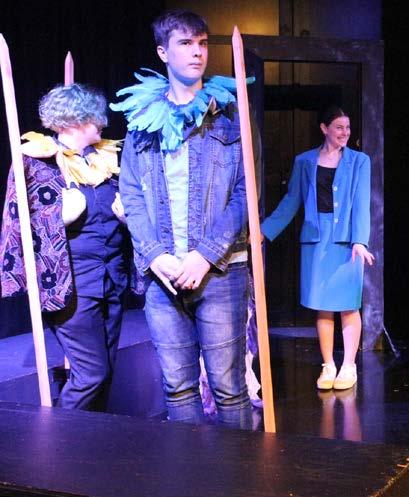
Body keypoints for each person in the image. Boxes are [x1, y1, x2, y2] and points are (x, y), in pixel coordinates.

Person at [113, 9, 255, 429]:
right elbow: (131, 193)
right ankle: (190, 469)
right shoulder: (143, 122)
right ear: (163, 52)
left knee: (229, 388)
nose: (197, 52)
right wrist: (155, 255)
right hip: (163, 272)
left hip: (220, 270)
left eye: (202, 43)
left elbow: (246, 193)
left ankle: (239, 469)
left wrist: (205, 255)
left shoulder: (231, 115)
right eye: (185, 43)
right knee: (178, 388)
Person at [0, 83, 128, 411]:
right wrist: (59, 216)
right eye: (95, 116)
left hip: (110, 279)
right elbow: (18, 225)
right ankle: (60, 436)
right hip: (70, 287)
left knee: (105, 372)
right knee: (92, 375)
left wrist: (127, 217)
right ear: (74, 121)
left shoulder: (104, 159)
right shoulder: (35, 163)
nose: (103, 122)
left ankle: (93, 438)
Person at [261, 106, 373, 391]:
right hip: (316, 240)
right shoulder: (305, 161)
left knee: (348, 304)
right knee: (323, 306)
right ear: (324, 129)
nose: (345, 133)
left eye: (348, 127)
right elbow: (291, 201)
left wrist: (360, 240)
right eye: (339, 127)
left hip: (347, 241)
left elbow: (362, 203)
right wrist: (265, 231)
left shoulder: (359, 161)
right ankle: (329, 365)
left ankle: (349, 365)